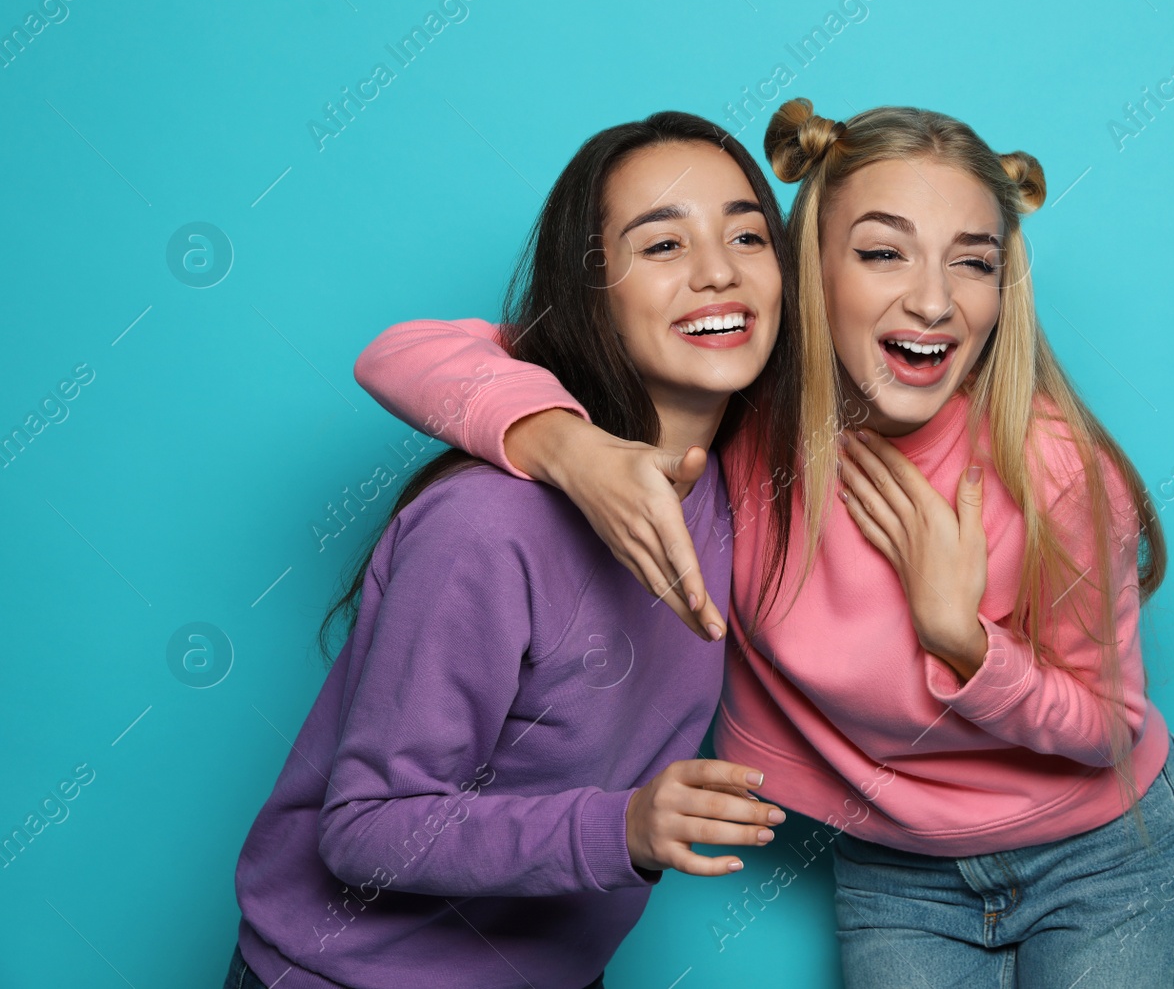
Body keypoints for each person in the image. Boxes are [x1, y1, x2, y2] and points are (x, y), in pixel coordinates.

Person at [351, 99, 1174, 987]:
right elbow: (404, 354)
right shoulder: (744, 414)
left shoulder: (1054, 469)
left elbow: (1109, 722)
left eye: (974, 263)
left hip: (1103, 853)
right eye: (882, 252)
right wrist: (566, 444)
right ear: (811, 272)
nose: (931, 298)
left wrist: (963, 639)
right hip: (899, 863)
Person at [226, 111, 794, 989]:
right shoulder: (486, 523)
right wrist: (627, 828)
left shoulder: (745, 483)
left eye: (748, 235)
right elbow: (366, 828)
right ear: (592, 292)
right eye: (662, 246)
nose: (718, 271)